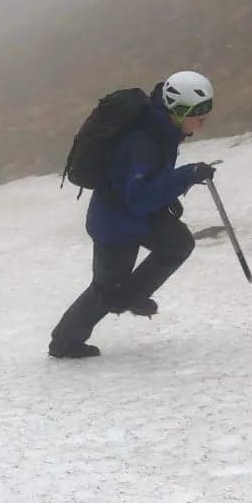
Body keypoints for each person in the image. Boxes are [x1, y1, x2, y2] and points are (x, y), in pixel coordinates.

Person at [48, 70, 218, 359]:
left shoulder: (162, 130)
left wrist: (176, 186)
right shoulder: (144, 141)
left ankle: (131, 296)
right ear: (180, 111)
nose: (203, 122)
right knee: (105, 291)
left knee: (178, 243)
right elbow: (139, 198)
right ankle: (64, 342)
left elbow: (148, 185)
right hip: (116, 224)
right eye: (199, 116)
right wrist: (186, 176)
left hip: (137, 216)